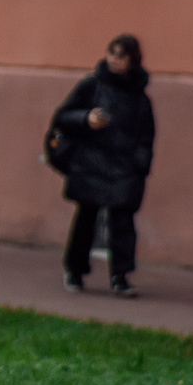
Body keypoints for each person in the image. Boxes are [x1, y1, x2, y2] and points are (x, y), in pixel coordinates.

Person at [53, 34, 156, 297]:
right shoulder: (92, 86)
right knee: (86, 218)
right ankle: (75, 271)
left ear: (132, 61)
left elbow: (146, 135)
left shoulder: (140, 98)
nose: (114, 60)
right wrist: (86, 118)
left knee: (122, 222)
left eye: (121, 56)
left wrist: (139, 165)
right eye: (112, 54)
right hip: (92, 163)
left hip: (124, 167)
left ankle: (121, 276)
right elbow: (63, 116)